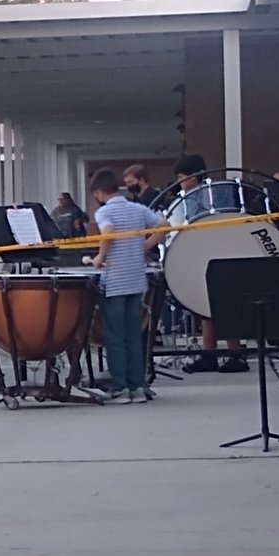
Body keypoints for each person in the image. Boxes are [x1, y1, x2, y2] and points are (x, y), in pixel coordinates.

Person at [90, 169, 169, 403]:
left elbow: (108, 233)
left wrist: (99, 257)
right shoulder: (138, 208)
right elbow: (164, 226)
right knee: (134, 335)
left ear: (98, 192)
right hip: (136, 280)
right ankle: (138, 386)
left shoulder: (104, 212)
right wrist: (144, 246)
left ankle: (121, 387)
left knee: (114, 336)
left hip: (114, 282)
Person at [170, 154, 248, 373]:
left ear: (194, 176)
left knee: (225, 305)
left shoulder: (211, 195)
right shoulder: (188, 196)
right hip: (202, 253)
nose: (180, 181)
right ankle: (210, 353)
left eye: (182, 176)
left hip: (216, 253)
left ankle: (235, 353)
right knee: (204, 308)